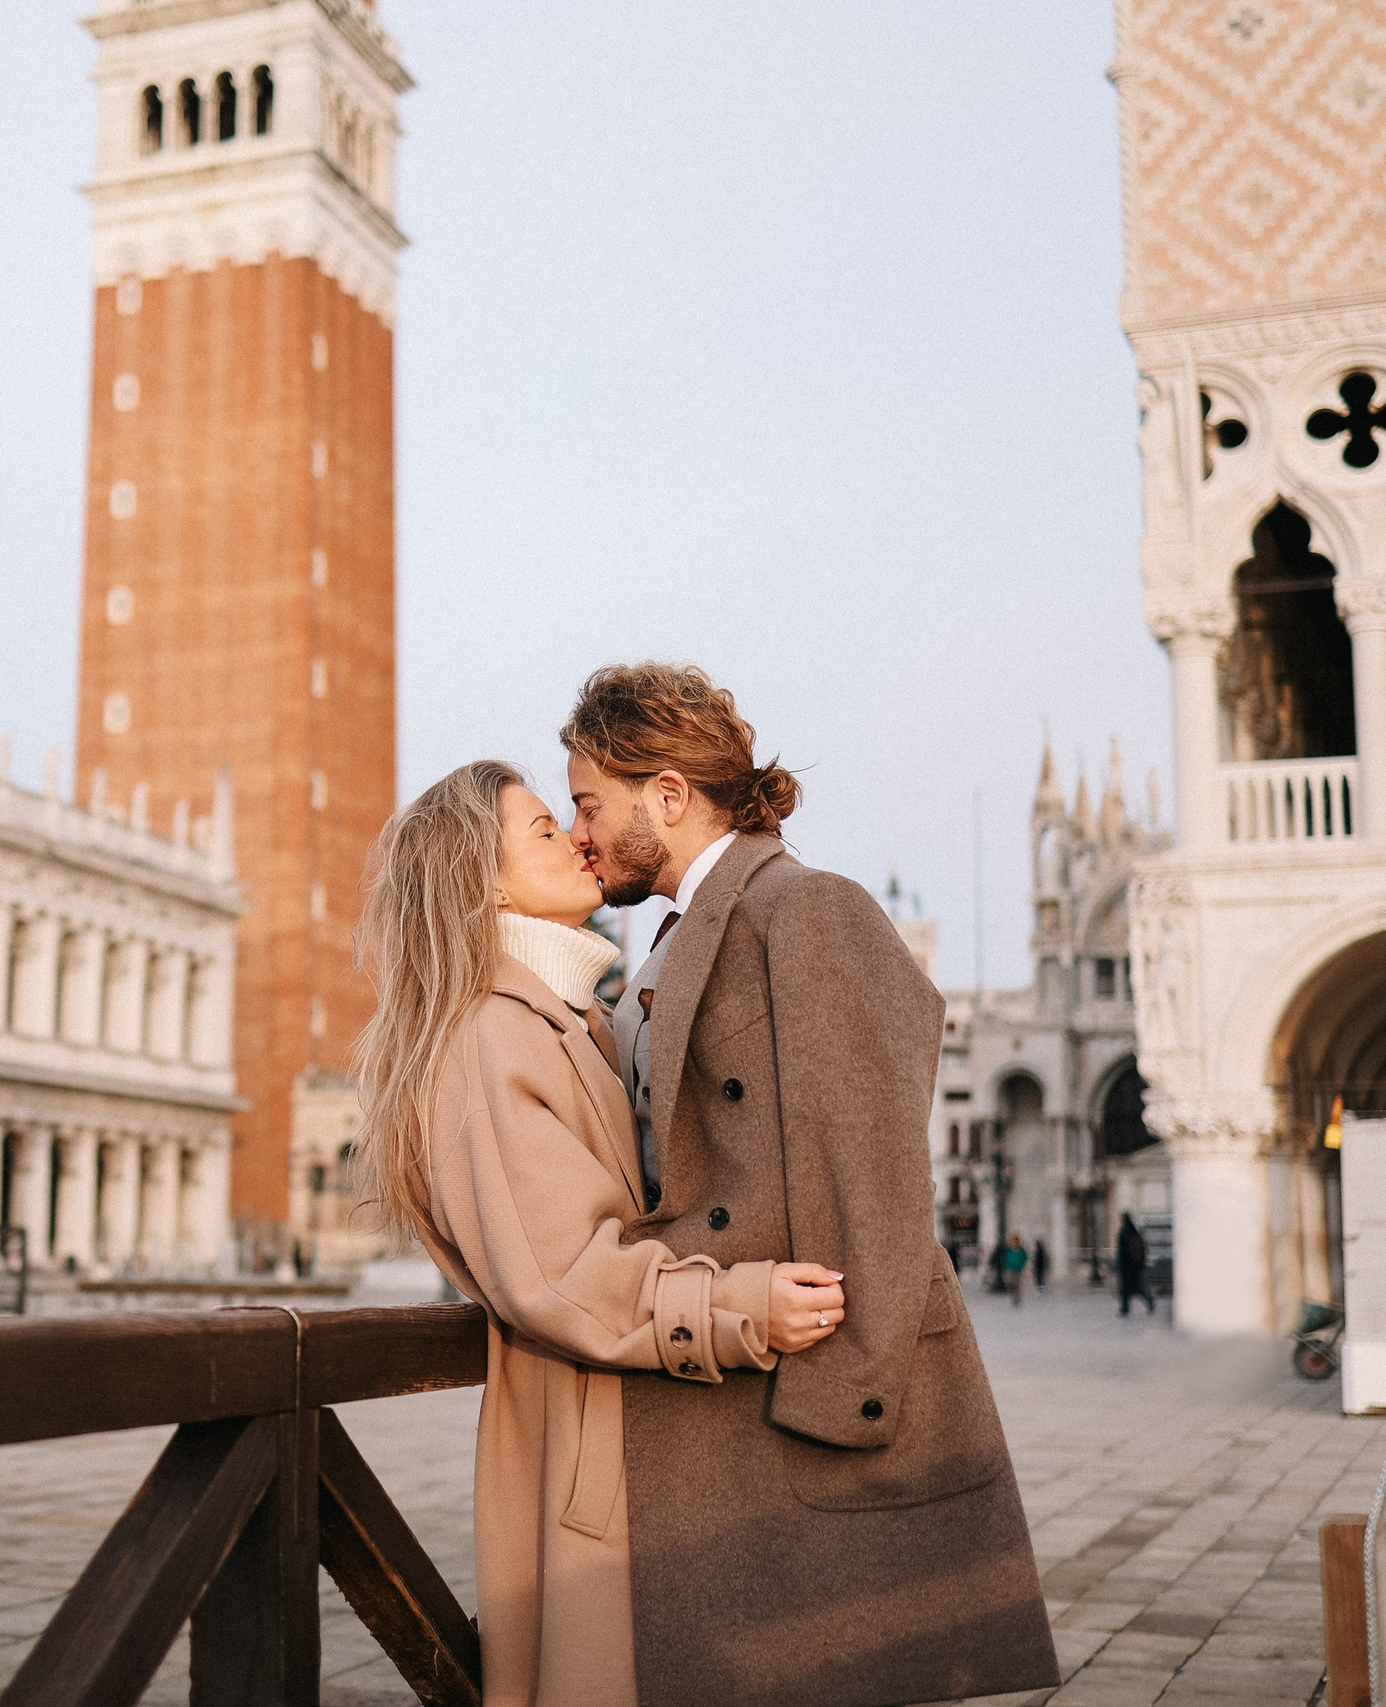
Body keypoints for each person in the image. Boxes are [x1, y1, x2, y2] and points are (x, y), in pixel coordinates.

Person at [563, 662, 1059, 1707]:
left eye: (588, 803)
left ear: (666, 795)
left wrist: (848, 1395)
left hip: (802, 1396)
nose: (578, 834)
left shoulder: (807, 910)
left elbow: (872, 1169)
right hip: (722, 1379)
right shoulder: (676, 934)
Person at [353, 760, 849, 1707]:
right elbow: (566, 1278)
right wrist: (745, 1308)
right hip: (596, 1477)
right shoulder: (490, 1039)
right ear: (483, 881)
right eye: (545, 828)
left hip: (631, 1452)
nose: (579, 838)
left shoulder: (570, 1020)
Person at [1117, 1211, 1152, 1317]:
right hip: (1135, 1265)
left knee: (1125, 1288)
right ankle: (1147, 1299)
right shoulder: (1134, 1230)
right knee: (1136, 1286)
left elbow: (1122, 1251)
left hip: (1126, 1266)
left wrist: (1120, 1264)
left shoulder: (1123, 1231)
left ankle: (1125, 1308)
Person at [1003, 1234, 1029, 1305]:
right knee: (1010, 1281)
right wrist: (1007, 1265)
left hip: (1018, 1269)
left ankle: (1017, 1299)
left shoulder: (1021, 1250)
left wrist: (1021, 1265)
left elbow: (1025, 1258)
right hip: (1010, 1268)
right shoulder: (1009, 1250)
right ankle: (1012, 1292)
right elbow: (1006, 1258)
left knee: (1018, 1285)